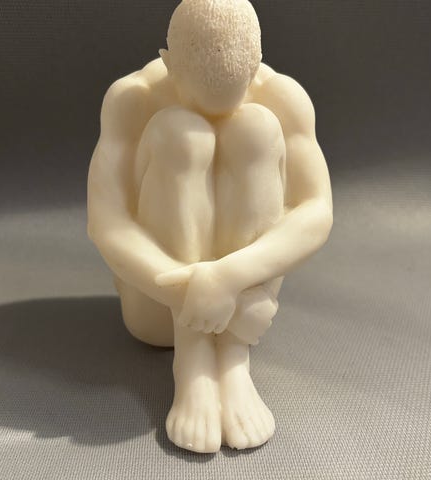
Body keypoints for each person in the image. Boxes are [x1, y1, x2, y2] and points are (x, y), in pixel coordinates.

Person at [87, 0, 332, 453]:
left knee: (256, 129)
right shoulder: (132, 97)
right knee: (181, 134)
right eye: (199, 98)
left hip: (241, 302)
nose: (218, 114)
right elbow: (108, 223)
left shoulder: (282, 97)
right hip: (160, 303)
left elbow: (316, 210)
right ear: (168, 63)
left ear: (255, 65)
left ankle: (232, 358)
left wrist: (228, 279)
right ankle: (194, 360)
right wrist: (197, 297)